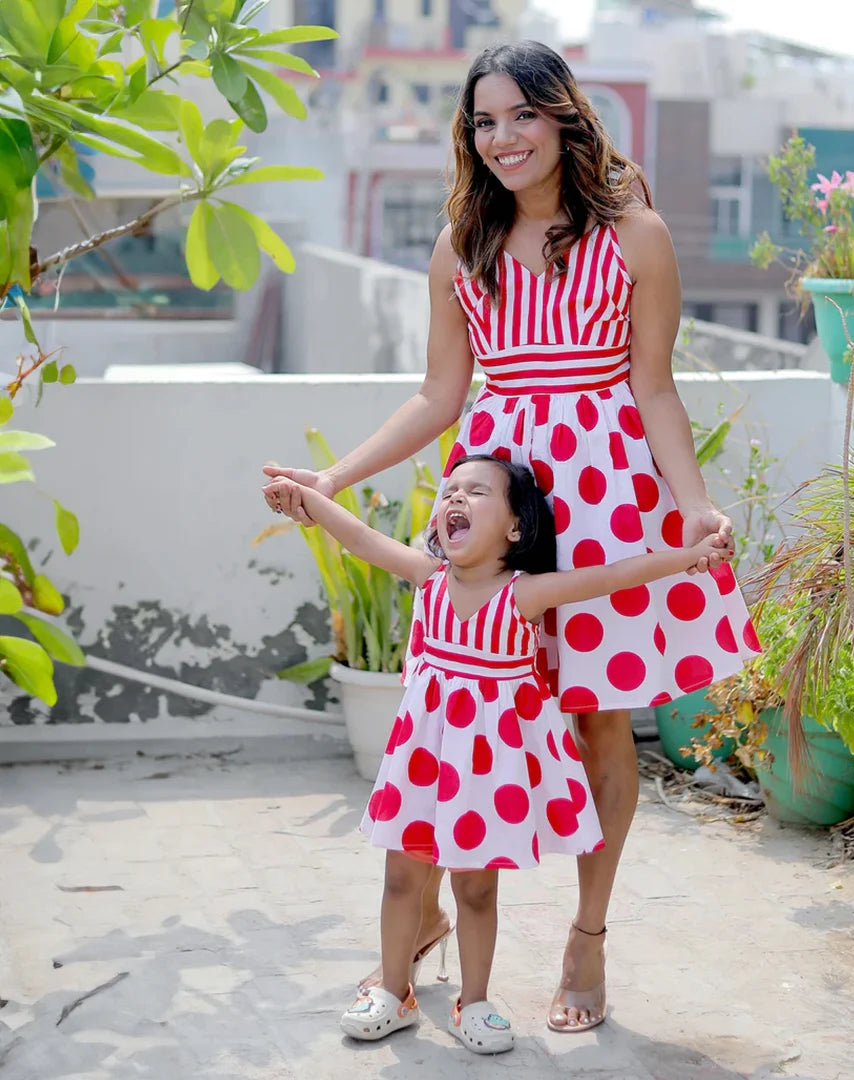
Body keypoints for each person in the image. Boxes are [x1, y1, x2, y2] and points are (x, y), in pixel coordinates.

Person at [263, 39, 760, 1033]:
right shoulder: (463, 244)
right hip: (499, 492)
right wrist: (333, 478)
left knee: (599, 719)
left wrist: (694, 503)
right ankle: (431, 916)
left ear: (563, 116)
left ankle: (588, 939)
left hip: (609, 491)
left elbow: (653, 387)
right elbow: (438, 394)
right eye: (482, 123)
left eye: (520, 116)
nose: (501, 140)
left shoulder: (637, 236)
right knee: (460, 702)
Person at [264, 455, 729, 1052]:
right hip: (423, 766)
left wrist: (690, 556)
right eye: (449, 491)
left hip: (484, 776)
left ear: (515, 528)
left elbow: (615, 575)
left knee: (477, 891)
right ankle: (394, 992)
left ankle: (475, 1002)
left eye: (476, 492)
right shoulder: (427, 577)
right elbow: (357, 535)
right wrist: (305, 492)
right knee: (402, 879)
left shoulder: (524, 595)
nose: (454, 499)